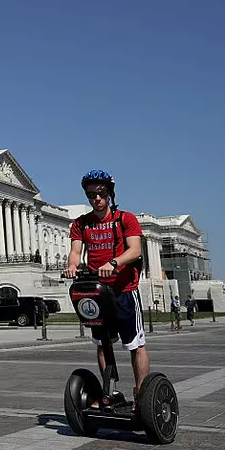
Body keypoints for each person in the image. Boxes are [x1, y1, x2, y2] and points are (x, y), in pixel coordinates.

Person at [65, 169, 148, 402]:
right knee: (103, 344)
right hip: (98, 292)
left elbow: (135, 250)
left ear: (110, 193)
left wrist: (114, 262)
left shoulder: (125, 219)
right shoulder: (81, 224)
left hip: (124, 290)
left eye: (101, 193)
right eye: (91, 195)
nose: (97, 199)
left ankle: (141, 392)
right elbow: (75, 252)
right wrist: (72, 266)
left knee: (135, 345)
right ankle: (109, 391)